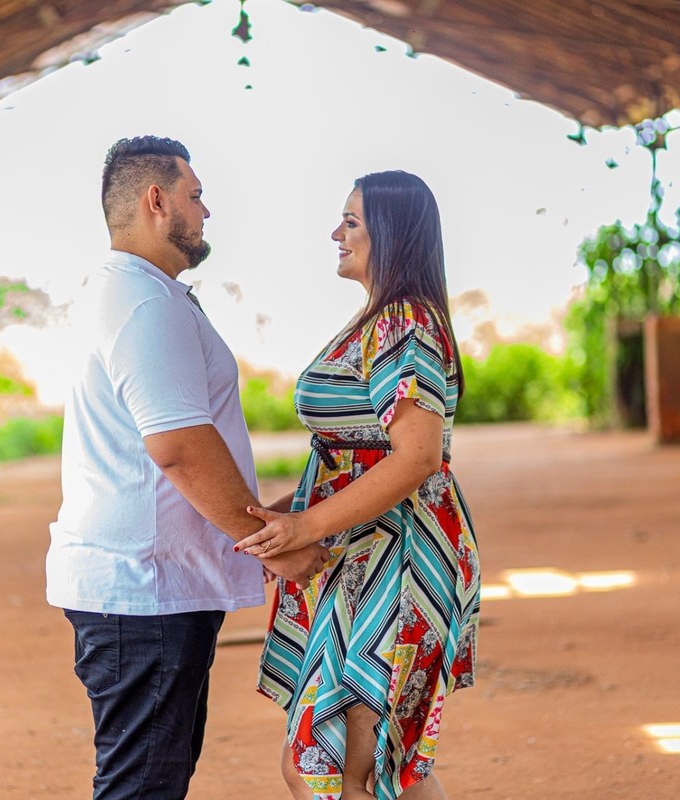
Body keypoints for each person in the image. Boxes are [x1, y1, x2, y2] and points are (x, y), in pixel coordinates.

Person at [46, 135, 330, 800]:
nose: (207, 212)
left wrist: (267, 513)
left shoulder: (134, 294)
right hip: (141, 592)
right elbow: (176, 445)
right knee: (142, 788)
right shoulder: (146, 305)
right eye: (195, 196)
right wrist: (269, 542)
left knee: (153, 781)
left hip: (146, 588)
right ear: (156, 200)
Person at [236, 170, 481, 800]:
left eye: (351, 223)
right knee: (368, 771)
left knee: (347, 769)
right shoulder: (378, 319)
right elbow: (354, 451)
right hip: (361, 558)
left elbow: (417, 457)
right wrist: (288, 513)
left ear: (391, 235)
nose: (335, 235)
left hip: (398, 560)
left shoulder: (405, 324)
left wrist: (306, 526)